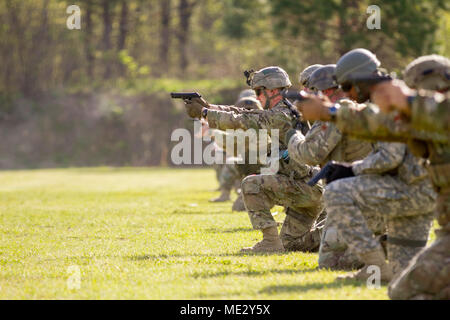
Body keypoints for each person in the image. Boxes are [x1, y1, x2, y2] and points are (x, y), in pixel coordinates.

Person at [296, 49, 437, 282]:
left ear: (359, 80)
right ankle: (381, 264)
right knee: (407, 285)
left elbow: (390, 157)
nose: (348, 94)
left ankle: (377, 265)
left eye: (349, 87)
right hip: (413, 191)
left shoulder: (390, 100)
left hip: (413, 192)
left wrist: (350, 170)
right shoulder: (389, 97)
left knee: (337, 191)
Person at [183, 66, 324, 253]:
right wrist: (209, 107)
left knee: (251, 184)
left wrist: (205, 114)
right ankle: (330, 237)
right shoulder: (282, 110)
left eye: (259, 91)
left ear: (272, 90)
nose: (257, 97)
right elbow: (245, 113)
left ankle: (270, 243)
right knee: (292, 244)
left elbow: (243, 121)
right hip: (306, 188)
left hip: (304, 188)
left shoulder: (280, 115)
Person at [285, 64, 376, 266]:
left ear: (325, 91)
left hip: (352, 199)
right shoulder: (354, 109)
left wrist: (293, 137)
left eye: (313, 91)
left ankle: (382, 250)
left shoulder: (335, 115)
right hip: (363, 194)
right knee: (329, 258)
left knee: (331, 262)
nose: (310, 96)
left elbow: (309, 154)